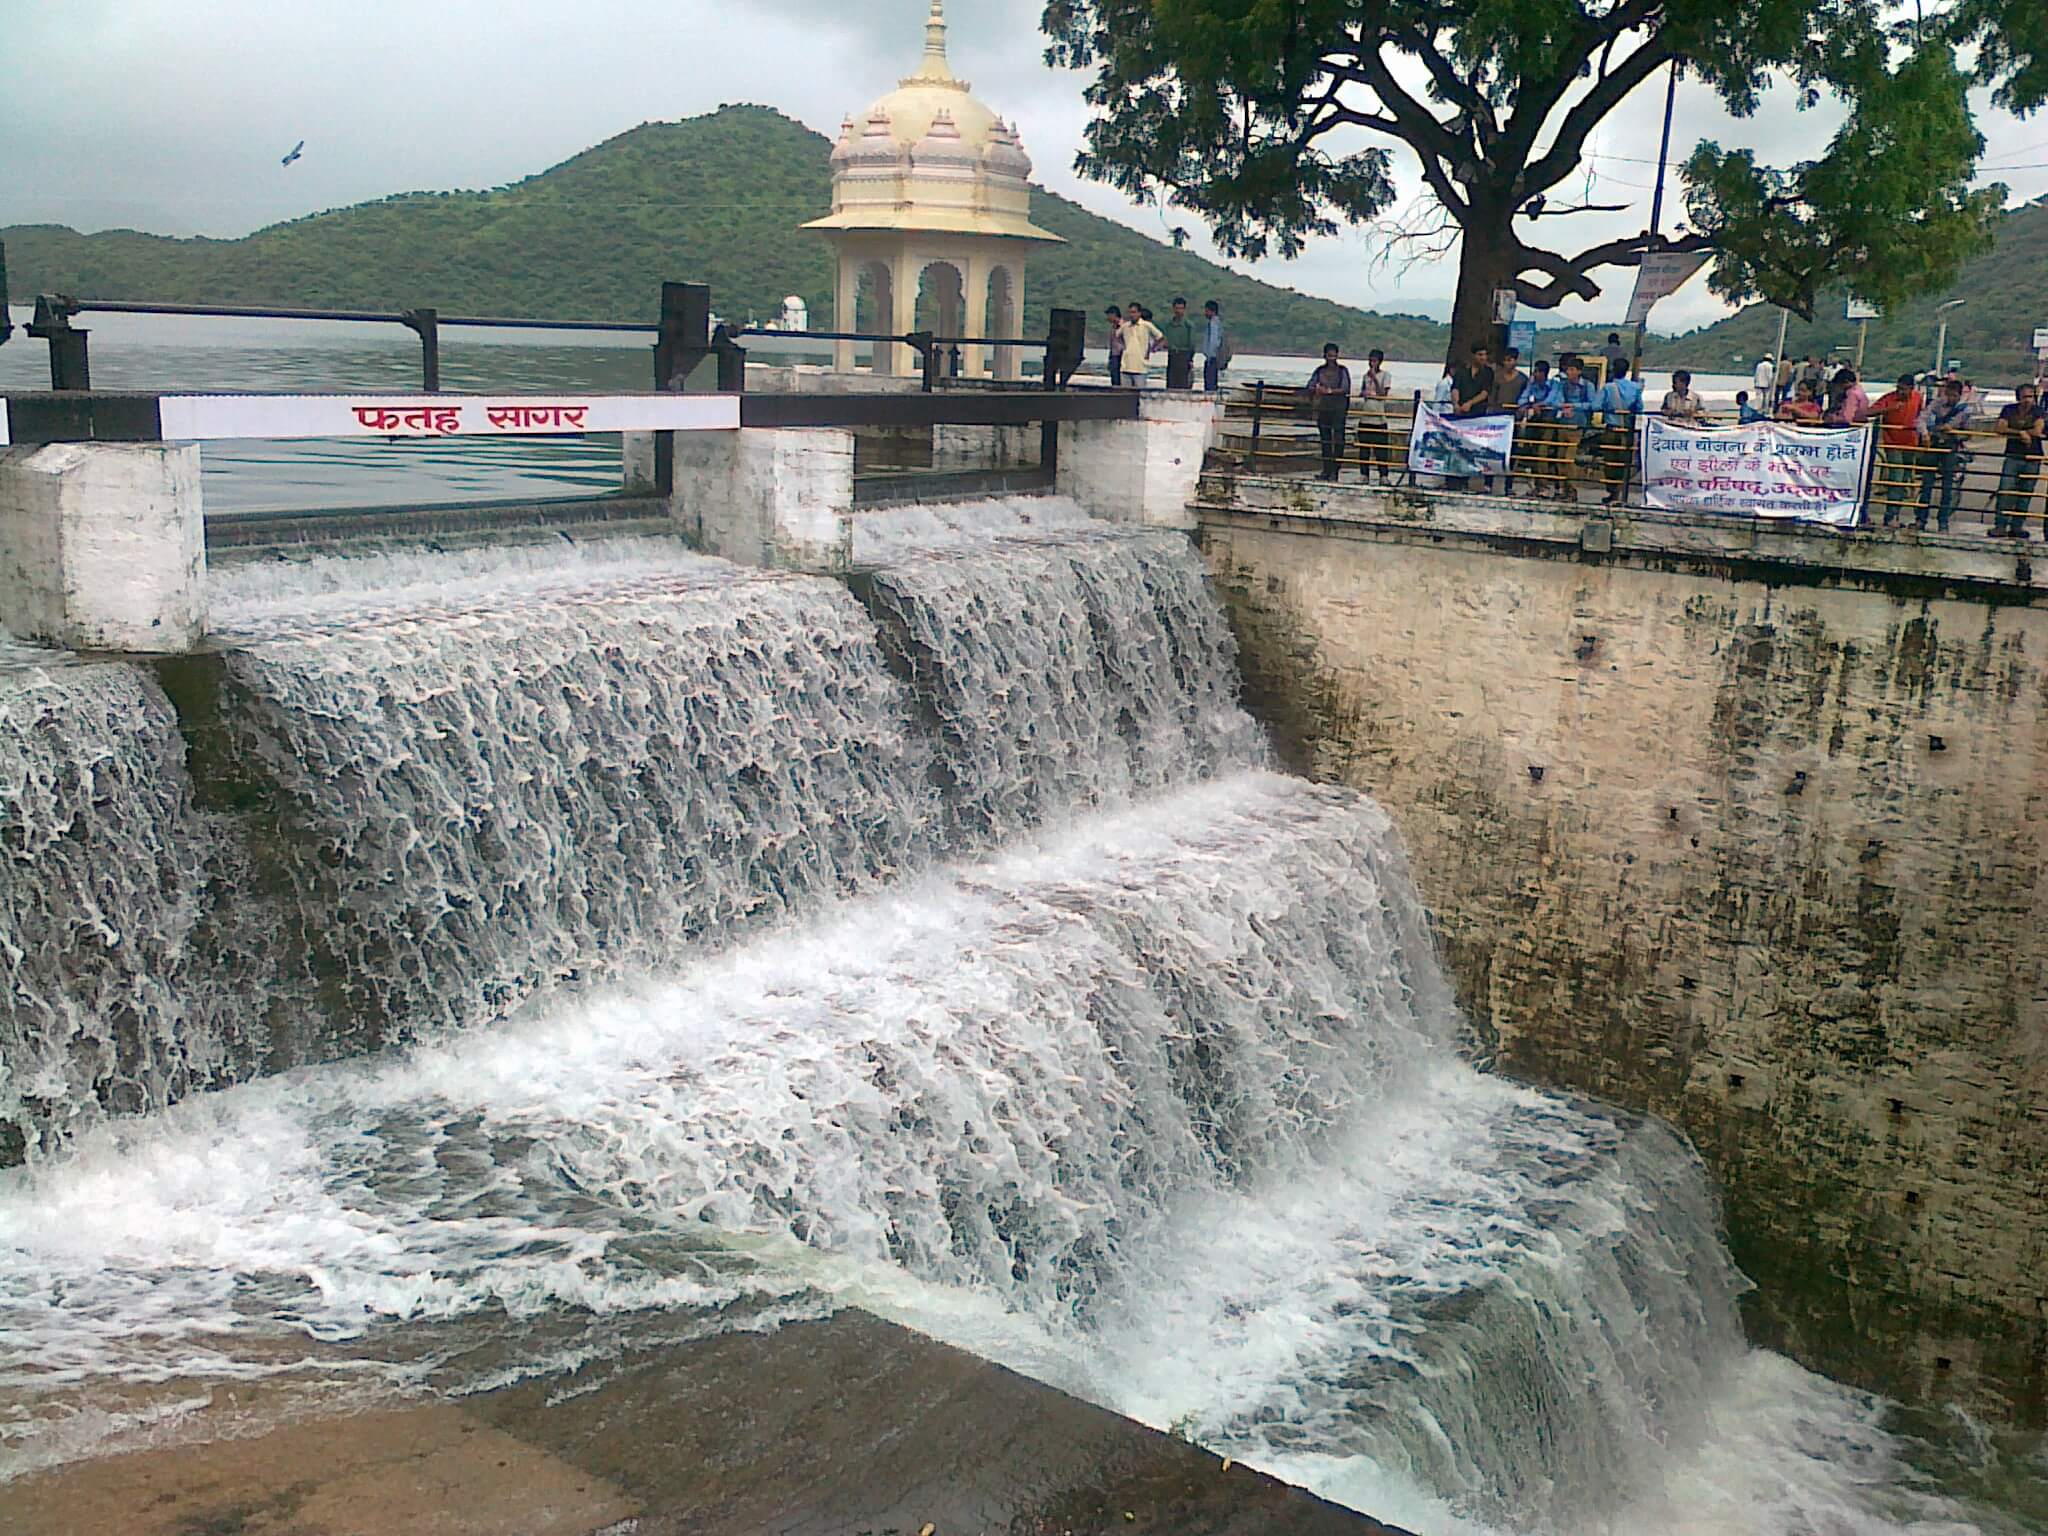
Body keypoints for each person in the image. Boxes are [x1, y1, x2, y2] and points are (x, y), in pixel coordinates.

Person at [1861, 372, 1926, 527]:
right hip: (1893, 443)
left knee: (1904, 481)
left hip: (1911, 443)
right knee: (1896, 478)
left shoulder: (1918, 398)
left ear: (1911, 388)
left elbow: (1921, 415)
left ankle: (1896, 513)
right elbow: (1868, 412)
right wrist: (1888, 409)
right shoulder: (1889, 398)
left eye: (1903, 389)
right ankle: (1890, 516)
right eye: (1898, 388)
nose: (1900, 392)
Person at [1917, 378, 1972, 533]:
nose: (1950, 398)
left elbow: (1967, 433)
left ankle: (1943, 522)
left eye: (1954, 395)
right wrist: (1925, 434)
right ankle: (1921, 519)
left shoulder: (1964, 410)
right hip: (1934, 445)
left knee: (1947, 487)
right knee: (1927, 483)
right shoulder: (1936, 404)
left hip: (1950, 448)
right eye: (1949, 395)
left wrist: (1954, 431)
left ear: (1959, 395)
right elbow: (1922, 418)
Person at [1993, 382, 2046, 538]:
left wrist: (2019, 432)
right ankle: (2000, 525)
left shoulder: (2038, 410)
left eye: (2031, 396)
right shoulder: (2008, 409)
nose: (2028, 400)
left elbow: (2038, 430)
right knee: (2006, 490)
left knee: (2025, 493)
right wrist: (2021, 433)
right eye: (2025, 397)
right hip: (2013, 455)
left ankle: (2017, 527)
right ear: (2018, 398)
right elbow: (1999, 428)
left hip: (2032, 457)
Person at [1448, 341, 1496, 490]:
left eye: (1485, 355)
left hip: (1479, 414)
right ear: (1473, 356)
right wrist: (1456, 404)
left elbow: (1485, 392)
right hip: (1462, 414)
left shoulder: (1488, 372)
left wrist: (1470, 403)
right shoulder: (1462, 372)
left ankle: (1487, 482)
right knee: (1460, 447)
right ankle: (1460, 479)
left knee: (1481, 448)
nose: (1483, 358)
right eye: (1480, 355)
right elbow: (1455, 388)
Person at [1599, 360, 1646, 504]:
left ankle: (1613, 492)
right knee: (1623, 463)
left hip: (1612, 429)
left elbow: (1596, 404)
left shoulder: (1608, 387)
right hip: (1627, 430)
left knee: (1610, 462)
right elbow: (1639, 407)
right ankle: (1619, 493)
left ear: (1613, 370)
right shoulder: (1635, 388)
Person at [1307, 343, 1353, 482]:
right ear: (1324, 356)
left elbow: (1345, 388)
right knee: (1325, 440)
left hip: (1338, 409)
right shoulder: (1319, 370)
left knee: (1338, 440)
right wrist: (1316, 388)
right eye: (1329, 355)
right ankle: (1326, 470)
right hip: (1324, 408)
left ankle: (1335, 471)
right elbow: (1310, 384)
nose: (1331, 358)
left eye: (1334, 355)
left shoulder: (1342, 371)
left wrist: (1329, 391)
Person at [1518, 359, 1560, 497]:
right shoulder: (1532, 385)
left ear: (1543, 373)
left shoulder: (1554, 384)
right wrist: (1529, 405)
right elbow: (1522, 399)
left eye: (1536, 371)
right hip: (1535, 420)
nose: (1534, 374)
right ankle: (1535, 484)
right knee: (1532, 451)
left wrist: (1539, 405)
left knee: (1543, 451)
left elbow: (1552, 400)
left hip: (1548, 420)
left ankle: (1544, 485)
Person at [1494, 348, 1529, 494]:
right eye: (1506, 360)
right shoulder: (1496, 377)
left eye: (1511, 360)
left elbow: (1526, 397)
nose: (1509, 363)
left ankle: (1508, 485)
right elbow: (1492, 396)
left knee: (1512, 453)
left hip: (1513, 420)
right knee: (1494, 451)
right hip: (1497, 418)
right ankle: (1489, 483)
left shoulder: (1522, 379)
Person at [1359, 348, 1396, 485]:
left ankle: (1383, 475)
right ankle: (1364, 474)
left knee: (1381, 449)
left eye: (1374, 361)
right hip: (1365, 416)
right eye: (1370, 360)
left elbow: (1382, 395)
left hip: (1379, 417)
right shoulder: (1365, 376)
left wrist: (1374, 378)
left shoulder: (1385, 375)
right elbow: (1362, 393)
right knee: (1364, 448)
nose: (1371, 363)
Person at [1120, 302, 1162, 388]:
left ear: (1139, 313)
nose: (1132, 315)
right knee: (1124, 394)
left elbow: (1160, 337)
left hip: (1140, 368)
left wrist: (1153, 349)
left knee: (1139, 394)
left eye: (1134, 312)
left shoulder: (1146, 325)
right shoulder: (1125, 326)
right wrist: (1122, 347)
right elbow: (1117, 336)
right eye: (1130, 312)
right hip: (1125, 367)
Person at [1160, 296, 1198, 390]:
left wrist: (1190, 359)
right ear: (1173, 309)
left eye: (1181, 308)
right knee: (1171, 383)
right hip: (1172, 355)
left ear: (1184, 309)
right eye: (1177, 308)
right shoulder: (1169, 324)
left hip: (1184, 356)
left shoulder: (1189, 325)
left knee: (1183, 384)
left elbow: (1192, 344)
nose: (1178, 311)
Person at [1201, 300, 1230, 392]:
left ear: (1211, 311)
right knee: (1212, 383)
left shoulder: (1213, 323)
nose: (1205, 313)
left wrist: (1210, 356)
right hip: (1214, 358)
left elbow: (1214, 342)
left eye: (1206, 310)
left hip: (1212, 358)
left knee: (1210, 385)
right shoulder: (1218, 323)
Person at [1104, 305, 1125, 387]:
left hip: (1121, 356)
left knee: (1120, 378)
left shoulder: (1124, 326)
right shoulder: (1113, 327)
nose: (1108, 318)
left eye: (1109, 315)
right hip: (1114, 355)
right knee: (1114, 377)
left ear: (1114, 314)